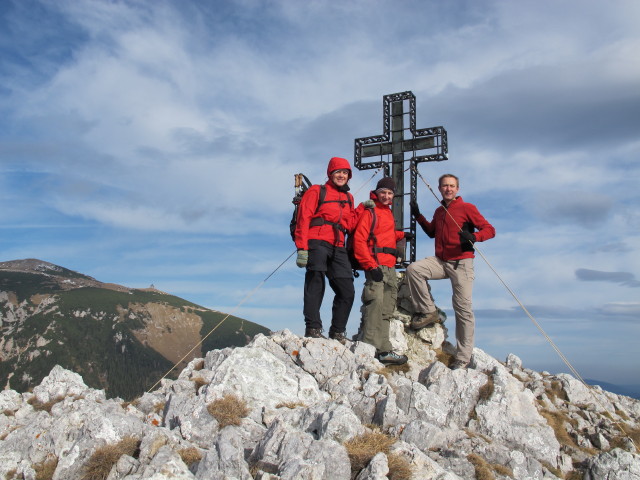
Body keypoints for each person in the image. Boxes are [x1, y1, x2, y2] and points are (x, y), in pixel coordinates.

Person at [406, 174, 495, 370]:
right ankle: (428, 311)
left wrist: (474, 236)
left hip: (462, 262)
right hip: (442, 261)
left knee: (462, 308)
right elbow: (431, 232)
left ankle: (463, 357)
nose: (448, 189)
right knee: (414, 269)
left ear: (457, 189)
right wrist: (419, 216)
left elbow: (490, 229)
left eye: (452, 186)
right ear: (439, 189)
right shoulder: (439, 211)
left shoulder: (467, 208)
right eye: (445, 186)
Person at [294, 157, 356, 343]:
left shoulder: (349, 198)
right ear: (330, 173)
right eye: (338, 171)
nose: (342, 175)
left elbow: (350, 224)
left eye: (345, 172)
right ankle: (313, 327)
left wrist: (363, 210)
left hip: (338, 245)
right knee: (316, 282)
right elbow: (303, 219)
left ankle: (337, 332)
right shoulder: (317, 191)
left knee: (347, 290)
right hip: (317, 241)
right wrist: (302, 248)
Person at [353, 177, 412, 365]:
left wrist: (402, 235)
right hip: (376, 265)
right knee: (374, 305)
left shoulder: (387, 213)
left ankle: (384, 350)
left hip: (390, 267)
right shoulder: (370, 212)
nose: (386, 196)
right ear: (377, 193)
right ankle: (369, 349)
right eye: (383, 192)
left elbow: (385, 234)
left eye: (389, 193)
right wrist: (370, 266)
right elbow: (359, 241)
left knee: (387, 308)